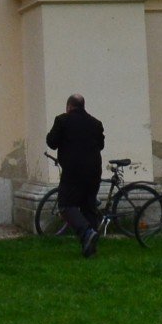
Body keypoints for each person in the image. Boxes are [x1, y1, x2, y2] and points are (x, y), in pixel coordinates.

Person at [46, 94, 106, 256]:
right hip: (94, 171)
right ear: (83, 106)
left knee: (66, 205)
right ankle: (90, 250)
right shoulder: (96, 123)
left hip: (73, 171)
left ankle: (86, 232)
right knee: (88, 207)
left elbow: (51, 142)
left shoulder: (62, 120)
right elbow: (101, 145)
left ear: (69, 106)